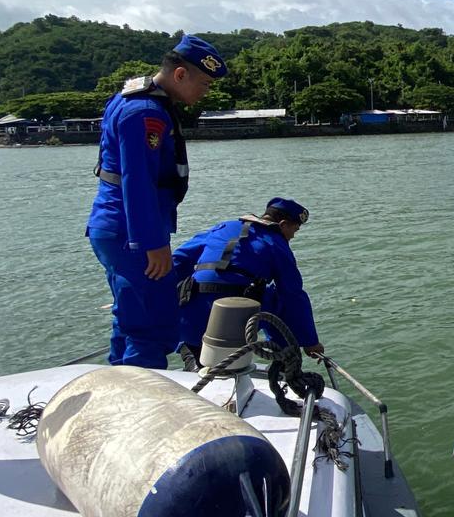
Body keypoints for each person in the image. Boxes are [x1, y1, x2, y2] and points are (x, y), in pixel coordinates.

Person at [87, 34, 227, 368]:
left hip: (115, 228)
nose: (205, 92)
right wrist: (152, 244)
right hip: (130, 234)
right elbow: (138, 182)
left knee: (131, 316)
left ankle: (120, 385)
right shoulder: (146, 113)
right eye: (204, 83)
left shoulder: (130, 99)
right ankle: (142, 406)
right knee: (154, 324)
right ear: (180, 74)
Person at [174, 198, 325, 360]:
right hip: (232, 321)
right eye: (295, 230)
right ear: (283, 224)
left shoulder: (222, 227)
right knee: (280, 300)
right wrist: (310, 342)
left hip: (186, 321)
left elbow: (177, 260)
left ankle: (188, 351)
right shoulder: (276, 244)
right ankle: (283, 361)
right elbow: (293, 295)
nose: (293, 237)